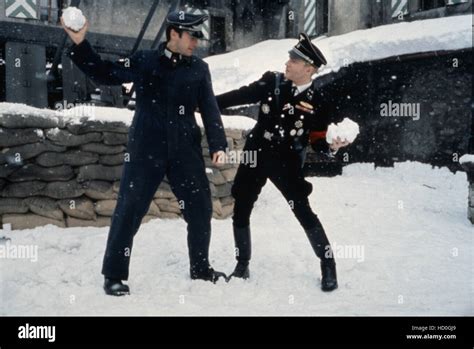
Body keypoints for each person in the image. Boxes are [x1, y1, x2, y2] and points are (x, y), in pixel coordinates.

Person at [62, 11, 228, 296]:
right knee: (129, 210)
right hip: (145, 150)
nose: (196, 43)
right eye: (191, 36)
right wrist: (80, 44)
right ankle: (113, 275)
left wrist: (218, 145)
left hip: (185, 151)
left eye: (198, 37)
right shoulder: (144, 61)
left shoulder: (200, 69)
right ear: (173, 34)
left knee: (200, 209)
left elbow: (210, 108)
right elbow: (106, 72)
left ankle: (200, 269)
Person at [216, 33, 352, 292]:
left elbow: (318, 140)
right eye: (289, 57)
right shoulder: (272, 82)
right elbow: (238, 96)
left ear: (308, 68)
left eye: (294, 60)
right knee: (242, 204)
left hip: (286, 162)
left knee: (302, 210)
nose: (287, 62)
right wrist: (206, 103)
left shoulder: (318, 101)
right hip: (256, 155)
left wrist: (332, 147)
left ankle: (328, 264)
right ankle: (242, 263)